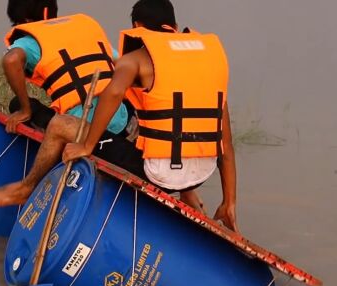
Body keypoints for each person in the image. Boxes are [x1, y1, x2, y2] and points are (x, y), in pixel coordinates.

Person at [62, 0, 239, 231]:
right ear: (174, 26)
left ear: (137, 26)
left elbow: (113, 93)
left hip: (159, 175)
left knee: (59, 124)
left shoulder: (134, 59)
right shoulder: (209, 63)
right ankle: (190, 194)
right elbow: (226, 143)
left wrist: (87, 145)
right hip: (202, 173)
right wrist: (229, 202)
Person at [0, 0, 130, 205]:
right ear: (49, 12)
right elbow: (122, 63)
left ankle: (27, 187)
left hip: (80, 128)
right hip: (119, 121)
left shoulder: (31, 40)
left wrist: (25, 109)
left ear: (24, 20)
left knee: (24, 107)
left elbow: (11, 60)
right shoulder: (82, 28)